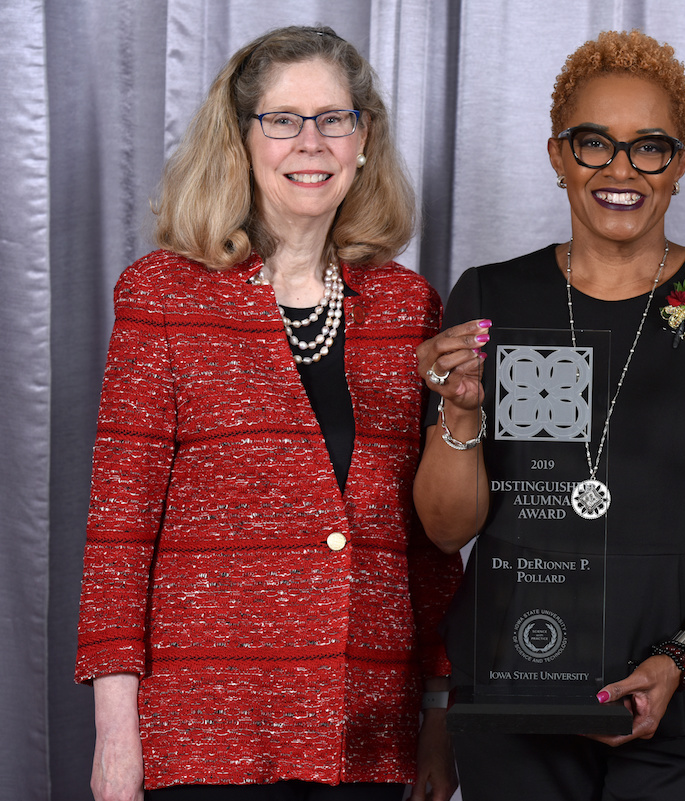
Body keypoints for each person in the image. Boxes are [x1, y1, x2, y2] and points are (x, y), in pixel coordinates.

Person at [413, 30, 685, 801]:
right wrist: (459, 416)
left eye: (650, 147)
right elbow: (445, 529)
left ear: (682, 162)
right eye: (594, 144)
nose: (621, 170)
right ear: (558, 155)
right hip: (525, 690)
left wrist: (680, 658)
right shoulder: (494, 302)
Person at [75, 25, 461, 801]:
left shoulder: (407, 307)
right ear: (241, 138)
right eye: (283, 120)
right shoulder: (162, 297)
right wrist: (116, 735)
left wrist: (438, 715)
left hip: (369, 730)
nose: (310, 142)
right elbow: (119, 532)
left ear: (364, 139)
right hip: (206, 731)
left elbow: (425, 549)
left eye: (334, 118)